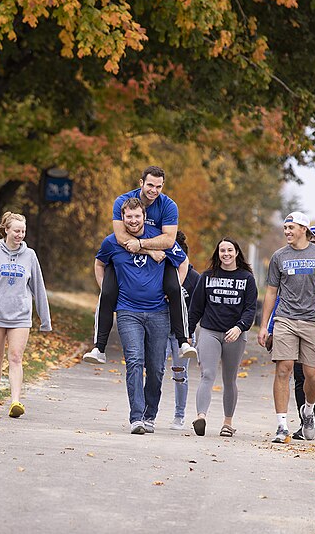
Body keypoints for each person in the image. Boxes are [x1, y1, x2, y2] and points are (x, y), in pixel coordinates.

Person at [83, 165, 196, 364]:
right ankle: (98, 348)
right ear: (141, 183)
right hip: (130, 252)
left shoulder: (168, 206)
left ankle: (183, 341)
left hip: (163, 254)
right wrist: (150, 250)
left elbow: (169, 241)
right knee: (108, 293)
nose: (154, 190)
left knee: (173, 287)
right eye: (150, 185)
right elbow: (120, 237)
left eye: (159, 186)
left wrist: (145, 246)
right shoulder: (123, 202)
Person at [95, 197, 186, 434]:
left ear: (144, 217)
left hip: (158, 312)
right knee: (135, 361)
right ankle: (136, 417)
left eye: (137, 216)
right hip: (128, 311)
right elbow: (99, 263)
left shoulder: (160, 239)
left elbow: (184, 262)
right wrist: (106, 290)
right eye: (129, 217)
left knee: (156, 368)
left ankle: (149, 415)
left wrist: (173, 291)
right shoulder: (112, 242)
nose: (133, 221)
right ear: (122, 218)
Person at [257, 212, 315, 443]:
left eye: (291, 228)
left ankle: (308, 410)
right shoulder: (279, 257)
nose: (287, 232)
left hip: (313, 321)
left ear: (304, 229)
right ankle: (281, 425)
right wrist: (264, 326)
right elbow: (271, 292)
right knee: (284, 369)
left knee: (313, 376)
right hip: (285, 319)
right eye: (285, 228)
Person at [0, 211, 52, 418]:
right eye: (16, 230)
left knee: (16, 357)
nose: (20, 235)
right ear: (6, 230)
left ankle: (15, 401)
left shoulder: (30, 256)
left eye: (23, 231)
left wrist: (45, 320)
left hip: (20, 316)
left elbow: (38, 287)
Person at [188, 238, 257, 437]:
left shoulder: (246, 278)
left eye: (229, 250)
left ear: (236, 253)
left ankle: (227, 423)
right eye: (222, 251)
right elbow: (196, 308)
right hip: (210, 331)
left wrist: (240, 327)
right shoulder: (207, 276)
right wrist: (188, 335)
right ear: (217, 254)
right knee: (207, 374)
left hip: (234, 334)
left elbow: (250, 309)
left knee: (229, 378)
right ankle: (201, 417)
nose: (225, 254)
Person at [166, 231, 201, 430]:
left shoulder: (195, 278)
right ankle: (147, 412)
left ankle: (179, 415)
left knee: (180, 374)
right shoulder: (163, 273)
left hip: (184, 334)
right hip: (162, 330)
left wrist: (189, 333)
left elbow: (197, 309)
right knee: (154, 370)